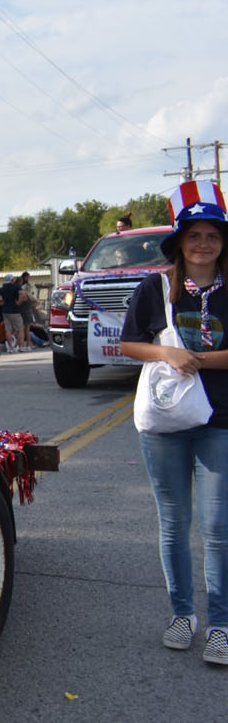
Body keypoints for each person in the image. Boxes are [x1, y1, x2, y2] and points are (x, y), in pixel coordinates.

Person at [119, 180, 228, 666]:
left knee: (218, 527)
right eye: (194, 235)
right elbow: (128, 344)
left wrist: (199, 360)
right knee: (173, 522)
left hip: (220, 419)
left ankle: (221, 625)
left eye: (213, 235)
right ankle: (182, 615)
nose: (203, 244)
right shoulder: (156, 287)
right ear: (180, 242)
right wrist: (166, 351)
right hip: (165, 420)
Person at [0, 273, 27, 352]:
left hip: (5, 311)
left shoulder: (2, 288)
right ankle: (21, 346)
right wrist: (19, 302)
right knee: (20, 329)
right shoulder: (16, 287)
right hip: (15, 311)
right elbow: (23, 295)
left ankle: (10, 347)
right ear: (12, 280)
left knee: (8, 330)